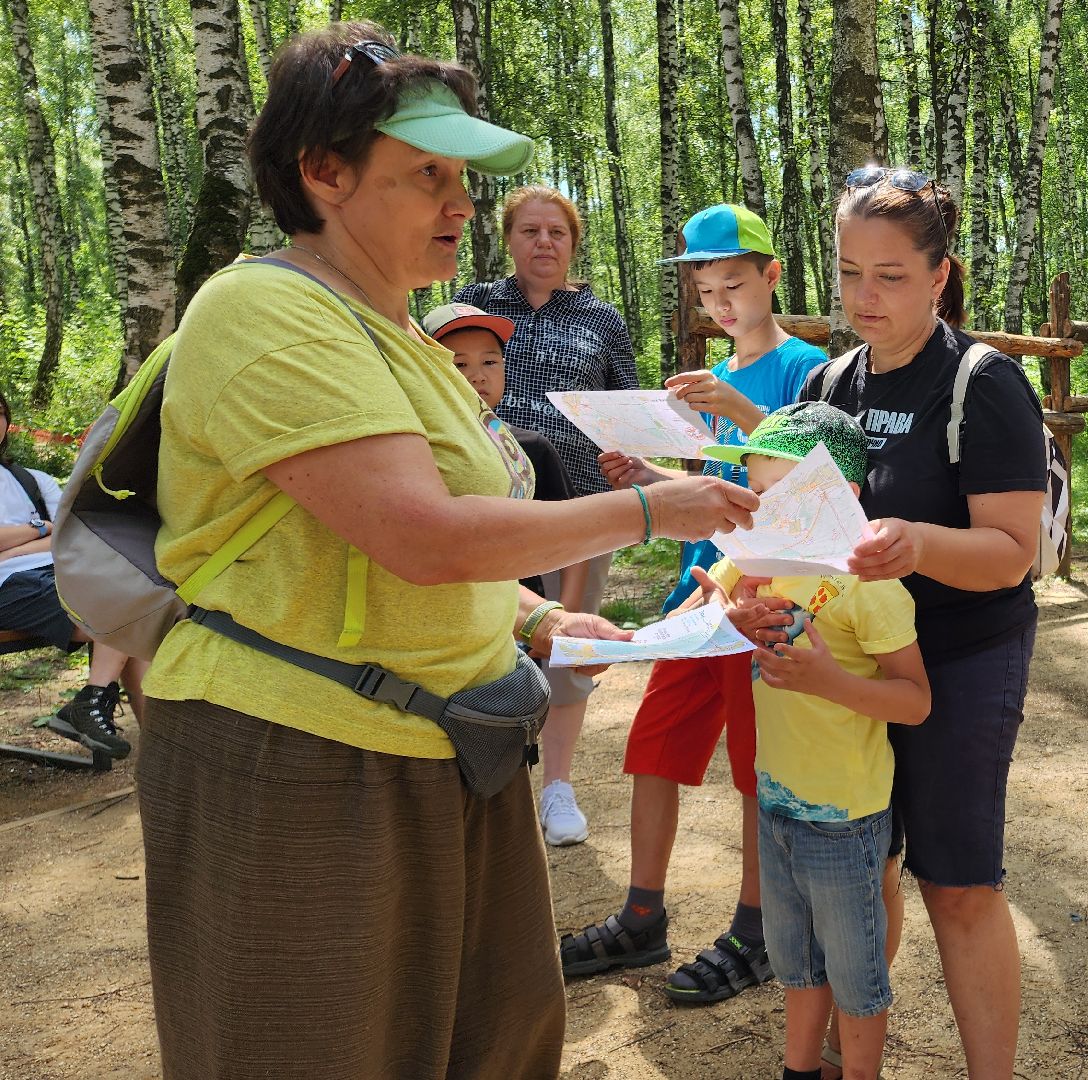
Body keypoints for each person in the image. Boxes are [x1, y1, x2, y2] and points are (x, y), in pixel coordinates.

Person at [136, 25, 755, 1079]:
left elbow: (408, 537)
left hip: (449, 743)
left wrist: (538, 617)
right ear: (321, 173)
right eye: (426, 175)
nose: (460, 206)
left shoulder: (405, 332)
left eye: (462, 177)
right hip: (303, 754)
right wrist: (656, 512)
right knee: (313, 1046)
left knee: (495, 1044)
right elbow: (419, 535)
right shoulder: (264, 309)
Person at [796, 165, 1047, 1079]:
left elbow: (1011, 551)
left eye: (891, 275)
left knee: (958, 884)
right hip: (859, 660)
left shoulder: (984, 384)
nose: (866, 295)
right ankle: (844, 1059)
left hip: (963, 659)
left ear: (940, 275)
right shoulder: (830, 381)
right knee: (861, 866)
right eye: (850, 270)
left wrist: (914, 543)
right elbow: (803, 519)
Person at [561, 204, 826, 1004]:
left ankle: (758, 928)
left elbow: (810, 479)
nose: (721, 305)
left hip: (764, 595)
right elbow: (720, 489)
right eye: (706, 291)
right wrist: (650, 480)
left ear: (772, 277)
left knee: (755, 770)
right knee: (654, 748)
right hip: (696, 593)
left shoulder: (804, 367)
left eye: (734, 285)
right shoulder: (710, 384)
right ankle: (643, 915)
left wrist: (738, 410)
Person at [702, 402, 929, 1080]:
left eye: (782, 495)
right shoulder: (755, 565)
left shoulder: (870, 587)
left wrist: (828, 680)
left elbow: (915, 701)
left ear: (845, 496)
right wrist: (723, 612)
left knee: (855, 978)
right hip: (777, 803)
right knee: (796, 964)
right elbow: (702, 609)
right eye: (758, 495)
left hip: (844, 818)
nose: (764, 511)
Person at [455, 184, 638, 846]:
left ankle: (557, 788)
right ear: (509, 239)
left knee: (567, 645)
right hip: (486, 503)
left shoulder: (600, 318)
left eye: (556, 233)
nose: (544, 243)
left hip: (580, 510)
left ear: (573, 243)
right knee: (485, 638)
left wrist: (630, 460)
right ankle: (493, 783)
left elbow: (627, 405)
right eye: (530, 231)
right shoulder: (473, 305)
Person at [0, 390, 145, 758]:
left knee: (138, 611)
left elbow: (71, 532)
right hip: (9, 585)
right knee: (121, 613)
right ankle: (93, 704)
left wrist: (19, 543)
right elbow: (54, 531)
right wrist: (40, 529)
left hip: (58, 568)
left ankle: (159, 750)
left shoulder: (32, 479)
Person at [424, 302, 584, 601]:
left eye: (490, 362)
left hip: (522, 619)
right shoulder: (416, 446)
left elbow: (573, 534)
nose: (478, 376)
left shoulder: (530, 448)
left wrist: (566, 615)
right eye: (459, 364)